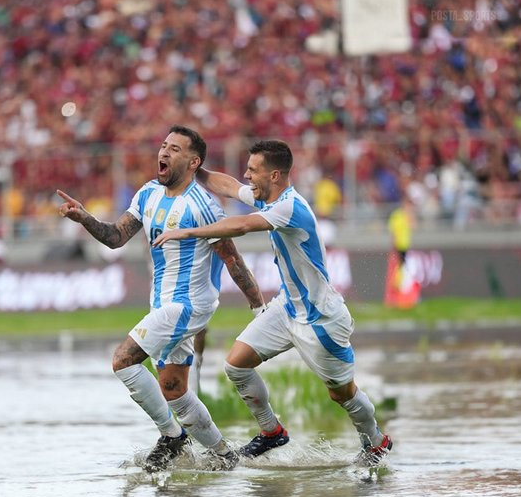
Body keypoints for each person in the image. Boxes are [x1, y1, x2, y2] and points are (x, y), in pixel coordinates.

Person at [154, 139, 392, 465]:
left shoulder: (289, 207)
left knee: (341, 393)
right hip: (287, 307)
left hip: (319, 319)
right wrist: (195, 169)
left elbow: (241, 225)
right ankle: (271, 431)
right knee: (236, 364)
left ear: (275, 175)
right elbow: (229, 186)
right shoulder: (267, 196)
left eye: (253, 171)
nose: (247, 176)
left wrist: (188, 232)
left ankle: (375, 441)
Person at [58, 125, 264, 472]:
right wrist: (84, 218)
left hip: (188, 305)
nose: (164, 153)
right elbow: (115, 237)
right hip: (163, 303)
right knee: (173, 390)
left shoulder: (203, 206)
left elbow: (232, 259)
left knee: (123, 361)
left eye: (175, 149)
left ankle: (172, 437)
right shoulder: (148, 194)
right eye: (164, 146)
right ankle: (224, 457)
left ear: (194, 161)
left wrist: (258, 306)